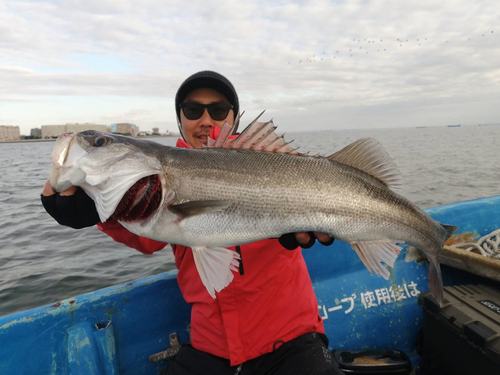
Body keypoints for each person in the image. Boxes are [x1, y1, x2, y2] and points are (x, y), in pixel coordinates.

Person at [41, 71, 343, 375]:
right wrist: (101, 212)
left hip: (290, 337)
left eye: (219, 110)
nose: (206, 119)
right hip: (211, 345)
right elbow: (148, 238)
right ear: (180, 119)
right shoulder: (158, 179)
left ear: (234, 119)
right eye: (193, 110)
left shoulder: (270, 161)